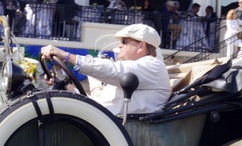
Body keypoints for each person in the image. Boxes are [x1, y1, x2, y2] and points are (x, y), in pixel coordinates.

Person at [40, 23, 170, 116]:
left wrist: (66, 56)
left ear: (141, 46)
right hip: (107, 124)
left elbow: (113, 70)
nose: (119, 45)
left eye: (124, 41)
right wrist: (67, 87)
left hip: (122, 130)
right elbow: (99, 102)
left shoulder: (153, 65)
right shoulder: (137, 68)